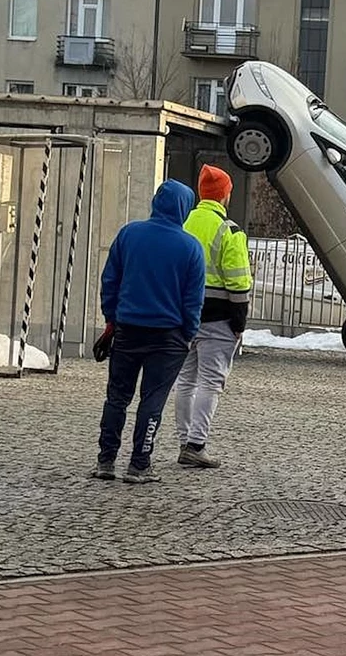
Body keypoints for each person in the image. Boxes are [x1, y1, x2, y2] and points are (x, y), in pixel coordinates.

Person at [90, 179, 205, 484]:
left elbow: (110, 280)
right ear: (184, 208)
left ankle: (106, 460)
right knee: (152, 400)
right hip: (168, 337)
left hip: (127, 330)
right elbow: (193, 300)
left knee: (117, 397)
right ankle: (139, 463)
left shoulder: (129, 234)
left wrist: (112, 318)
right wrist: (188, 333)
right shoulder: (190, 247)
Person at [172, 164, 253, 468]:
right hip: (218, 318)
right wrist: (239, 321)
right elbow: (238, 281)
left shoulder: (183, 222)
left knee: (185, 380)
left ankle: (183, 442)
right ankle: (196, 444)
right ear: (224, 196)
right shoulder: (229, 231)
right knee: (210, 382)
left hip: (183, 315)